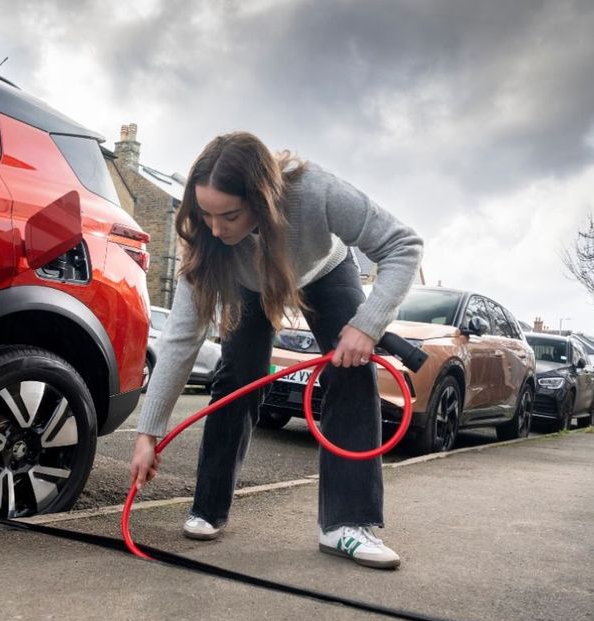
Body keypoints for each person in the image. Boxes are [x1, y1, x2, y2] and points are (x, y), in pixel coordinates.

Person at [129, 132, 423, 570]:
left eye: (228, 214)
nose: (215, 227)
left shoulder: (315, 190)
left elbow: (404, 245)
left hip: (324, 270)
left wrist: (366, 327)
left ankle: (346, 524)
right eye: (206, 213)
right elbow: (180, 340)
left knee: (353, 372)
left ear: (262, 200)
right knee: (236, 378)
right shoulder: (208, 238)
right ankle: (208, 508)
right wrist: (147, 433)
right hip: (250, 283)